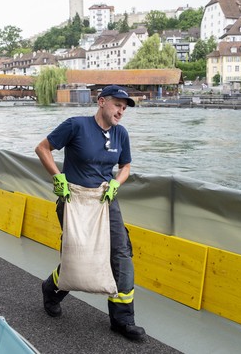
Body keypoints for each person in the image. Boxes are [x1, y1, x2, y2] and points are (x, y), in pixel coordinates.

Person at [34, 85, 146, 341]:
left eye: (125, 107)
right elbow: (42, 148)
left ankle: (122, 320)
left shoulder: (121, 134)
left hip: (105, 200)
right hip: (73, 199)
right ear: (101, 102)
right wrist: (58, 177)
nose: (121, 111)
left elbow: (126, 165)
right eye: (118, 104)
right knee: (80, 256)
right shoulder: (76, 125)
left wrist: (117, 182)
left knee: (121, 255)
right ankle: (51, 289)